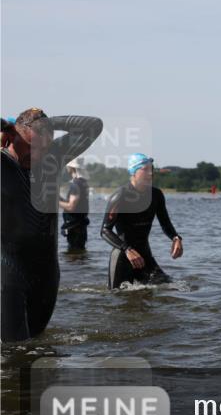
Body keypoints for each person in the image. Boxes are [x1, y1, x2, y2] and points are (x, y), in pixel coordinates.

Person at [2, 108, 103, 341]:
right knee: (15, 348)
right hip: (8, 271)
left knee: (37, 342)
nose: (37, 155)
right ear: (13, 135)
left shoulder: (53, 157)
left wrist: (48, 123)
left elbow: (93, 125)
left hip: (46, 272)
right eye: (31, 146)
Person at [101, 153, 183, 289]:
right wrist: (127, 249)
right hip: (123, 256)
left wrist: (175, 237)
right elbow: (105, 230)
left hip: (145, 255)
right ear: (133, 172)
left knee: (169, 287)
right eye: (145, 170)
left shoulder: (156, 195)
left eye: (152, 169)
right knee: (117, 299)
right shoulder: (120, 196)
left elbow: (165, 223)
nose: (150, 173)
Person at [59, 157, 91, 250]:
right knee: (79, 255)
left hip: (75, 228)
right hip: (80, 226)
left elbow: (71, 206)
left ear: (72, 168)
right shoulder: (83, 182)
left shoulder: (75, 184)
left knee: (74, 255)